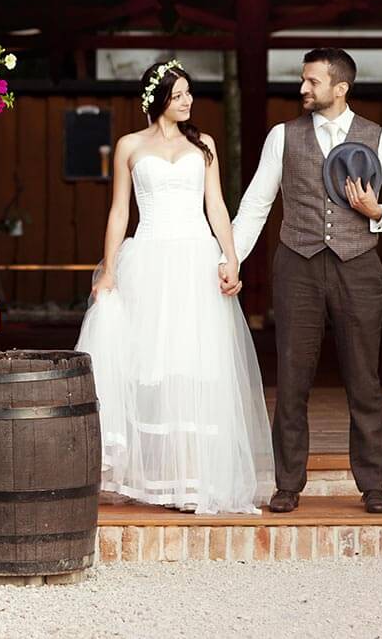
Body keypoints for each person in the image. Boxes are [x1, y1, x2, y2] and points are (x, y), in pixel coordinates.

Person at [228, 48, 382, 515]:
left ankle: (373, 484)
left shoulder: (380, 138)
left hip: (359, 267)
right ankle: (288, 484)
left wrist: (379, 213)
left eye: (312, 81)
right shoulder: (283, 136)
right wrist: (229, 259)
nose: (302, 89)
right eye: (303, 80)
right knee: (292, 378)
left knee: (363, 379)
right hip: (298, 264)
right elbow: (256, 204)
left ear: (340, 88)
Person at [76, 59, 273, 514]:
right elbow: (119, 213)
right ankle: (153, 479)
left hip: (194, 259)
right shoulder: (129, 145)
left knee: (194, 364)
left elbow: (217, 206)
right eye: (179, 94)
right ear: (158, 98)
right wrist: (108, 270)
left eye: (189, 94)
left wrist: (230, 257)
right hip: (148, 258)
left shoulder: (202, 144)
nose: (187, 101)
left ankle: (194, 481)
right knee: (152, 365)